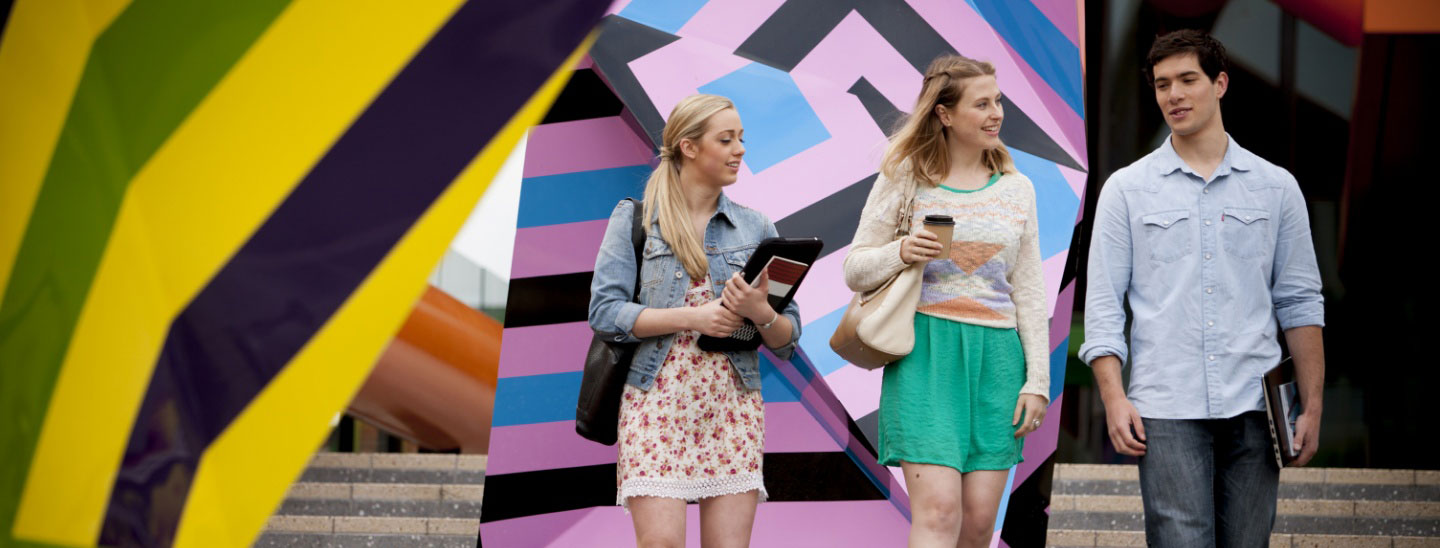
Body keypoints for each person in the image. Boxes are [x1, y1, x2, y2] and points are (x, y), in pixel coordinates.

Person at [1079, 29, 1326, 547]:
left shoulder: (1276, 186)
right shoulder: (1126, 190)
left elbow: (1300, 302)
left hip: (1256, 403)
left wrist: (1313, 404)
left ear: (1220, 83)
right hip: (1165, 407)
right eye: (1162, 84)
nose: (1174, 95)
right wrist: (1114, 397)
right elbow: (1104, 305)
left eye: (1188, 79)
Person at [843, 54, 1050, 548]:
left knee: (978, 525)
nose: (996, 112)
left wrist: (1037, 380)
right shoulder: (906, 177)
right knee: (938, 515)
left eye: (998, 101)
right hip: (926, 357)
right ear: (945, 114)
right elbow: (855, 268)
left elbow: (1029, 289)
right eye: (982, 104)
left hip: (999, 362)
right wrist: (901, 250)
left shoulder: (1019, 189)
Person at [587, 93, 802, 548]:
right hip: (655, 401)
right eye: (726, 139)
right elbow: (605, 313)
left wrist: (761, 312)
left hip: (731, 408)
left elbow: (786, 340)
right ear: (689, 147)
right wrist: (693, 317)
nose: (739, 149)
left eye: (741, 138)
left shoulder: (756, 227)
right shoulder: (638, 218)